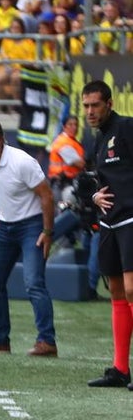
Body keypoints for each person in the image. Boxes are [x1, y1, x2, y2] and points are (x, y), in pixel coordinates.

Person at [0, 118, 58, 356]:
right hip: (5, 228)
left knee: (33, 283)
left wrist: (47, 232)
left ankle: (47, 341)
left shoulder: (22, 161)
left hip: (32, 226)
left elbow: (47, 196)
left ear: (0, 138)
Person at [83, 80, 133, 388]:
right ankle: (120, 368)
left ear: (109, 104)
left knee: (131, 289)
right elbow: (93, 183)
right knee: (115, 291)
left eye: (95, 105)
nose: (90, 111)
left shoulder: (126, 129)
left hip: (130, 219)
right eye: (86, 106)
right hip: (109, 223)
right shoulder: (98, 142)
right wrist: (94, 198)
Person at [48, 116, 85, 202]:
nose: (74, 127)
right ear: (64, 127)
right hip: (62, 185)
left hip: (68, 183)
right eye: (70, 125)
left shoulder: (71, 141)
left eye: (76, 125)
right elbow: (80, 164)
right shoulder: (63, 142)